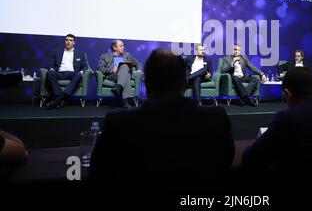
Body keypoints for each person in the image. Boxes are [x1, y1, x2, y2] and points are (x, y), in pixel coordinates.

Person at [90, 49, 235, 190]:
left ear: (146, 85)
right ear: (185, 83)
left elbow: (98, 171)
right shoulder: (216, 118)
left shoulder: (117, 123)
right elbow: (226, 161)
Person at [44, 34, 88, 109]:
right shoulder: (57, 52)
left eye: (71, 40)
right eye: (67, 40)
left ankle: (56, 101)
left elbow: (85, 67)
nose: (68, 42)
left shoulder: (80, 53)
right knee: (49, 73)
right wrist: (51, 68)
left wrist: (82, 72)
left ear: (74, 43)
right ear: (65, 41)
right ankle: (61, 100)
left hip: (72, 73)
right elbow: (51, 64)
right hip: (59, 73)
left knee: (79, 74)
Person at [98, 40, 142, 108]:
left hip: (125, 75)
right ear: (114, 47)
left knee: (125, 68)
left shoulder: (127, 55)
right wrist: (112, 70)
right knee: (125, 68)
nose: (123, 47)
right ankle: (125, 101)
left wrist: (139, 70)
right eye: (121, 46)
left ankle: (118, 87)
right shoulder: (105, 56)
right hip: (112, 75)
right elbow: (100, 68)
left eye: (123, 46)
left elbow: (138, 63)